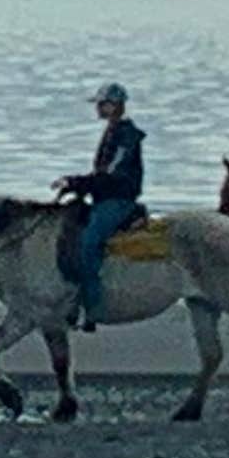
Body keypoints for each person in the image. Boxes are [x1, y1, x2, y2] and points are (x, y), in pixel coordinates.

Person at [54, 82, 145, 332]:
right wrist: (77, 186)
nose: (98, 108)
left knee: (89, 242)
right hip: (104, 197)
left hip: (118, 201)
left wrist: (76, 182)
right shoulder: (113, 131)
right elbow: (101, 175)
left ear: (115, 106)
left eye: (102, 104)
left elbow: (111, 175)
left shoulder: (127, 136)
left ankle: (92, 307)